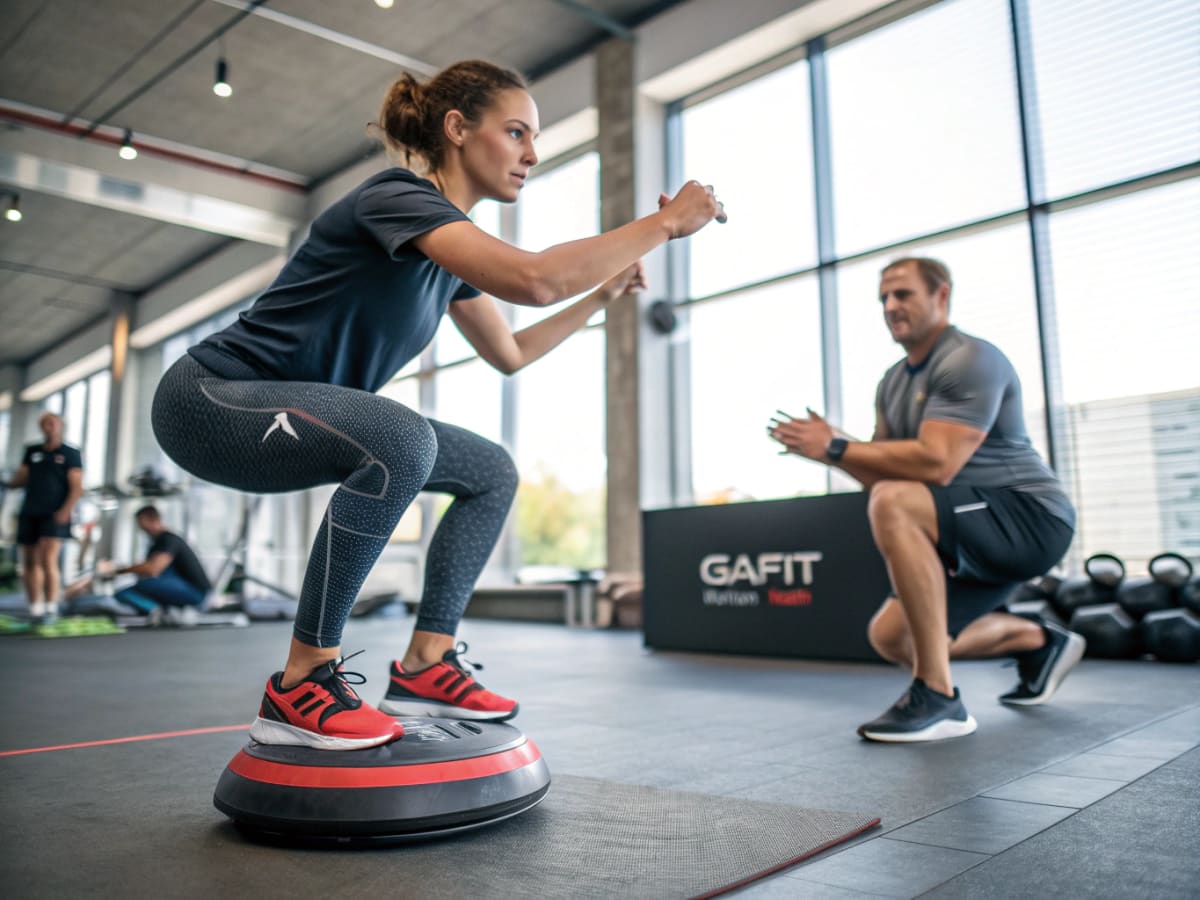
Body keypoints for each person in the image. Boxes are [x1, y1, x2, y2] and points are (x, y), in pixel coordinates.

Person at [151, 59, 724, 751]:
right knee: (404, 437)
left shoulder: (445, 255)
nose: (532, 154)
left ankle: (425, 661)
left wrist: (600, 297)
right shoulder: (396, 197)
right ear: (457, 128)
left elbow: (510, 352)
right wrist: (665, 221)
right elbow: (535, 279)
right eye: (516, 132)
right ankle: (302, 682)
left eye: (534, 139)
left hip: (286, 412)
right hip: (208, 400)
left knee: (489, 470)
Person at [768, 257, 1082, 743]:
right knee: (892, 638)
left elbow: (938, 464)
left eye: (903, 294)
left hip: (1028, 517)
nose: (891, 307)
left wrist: (835, 445)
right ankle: (1038, 640)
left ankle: (939, 697)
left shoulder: (969, 359)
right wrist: (830, 452)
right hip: (967, 527)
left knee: (897, 500)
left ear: (941, 296)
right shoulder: (892, 382)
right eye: (884, 299)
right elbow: (880, 479)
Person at [7, 412, 83, 623]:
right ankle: (35, 608)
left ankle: (51, 607)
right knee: (29, 562)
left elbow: (76, 488)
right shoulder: (32, 451)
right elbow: (19, 481)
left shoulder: (70, 453)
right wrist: (9, 481)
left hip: (55, 513)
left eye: (52, 422)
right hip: (30, 511)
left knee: (47, 558)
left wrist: (65, 512)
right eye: (44, 423)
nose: (48, 426)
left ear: (60, 425)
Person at [78, 506, 212, 615]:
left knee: (129, 591)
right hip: (184, 588)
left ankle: (156, 612)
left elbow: (152, 569)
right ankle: (157, 610)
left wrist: (118, 571)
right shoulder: (158, 542)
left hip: (196, 593)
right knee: (131, 589)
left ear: (153, 520)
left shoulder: (169, 540)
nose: (142, 528)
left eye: (142, 523)